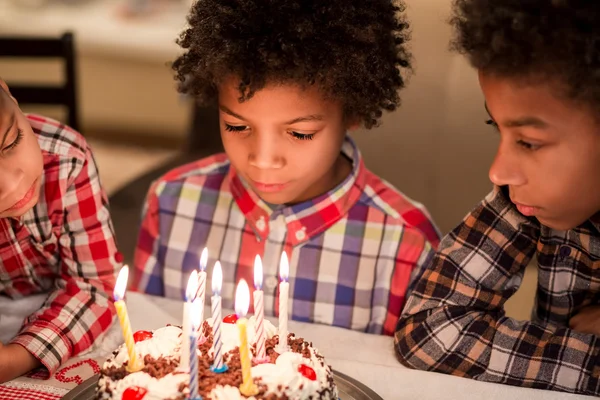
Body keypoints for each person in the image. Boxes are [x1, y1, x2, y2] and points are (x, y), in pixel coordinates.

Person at [133, 0, 440, 335]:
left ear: (353, 112)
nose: (263, 159)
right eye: (237, 126)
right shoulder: (171, 203)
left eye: (299, 133)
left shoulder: (406, 243)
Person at [396, 0, 600, 395]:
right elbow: (429, 328)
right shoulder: (520, 199)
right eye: (496, 127)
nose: (498, 171)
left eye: (528, 142)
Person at [0, 79, 120, 382]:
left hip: (62, 317)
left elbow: (95, 286)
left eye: (11, 142)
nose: (11, 185)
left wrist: (16, 358)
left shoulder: (67, 160)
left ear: (9, 94)